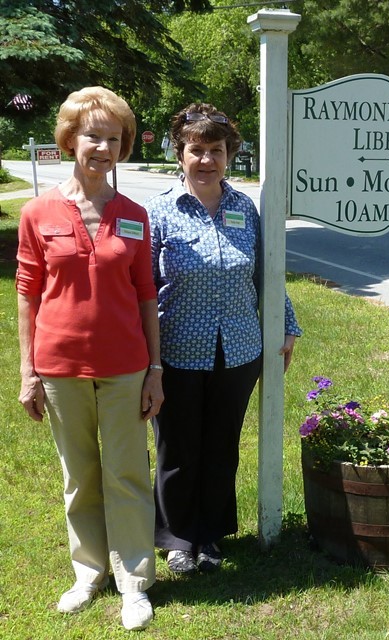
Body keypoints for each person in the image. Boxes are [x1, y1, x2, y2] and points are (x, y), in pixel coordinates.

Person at [16, 87, 162, 630]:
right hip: (59, 365)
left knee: (127, 473)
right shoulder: (39, 212)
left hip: (126, 364)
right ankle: (89, 572)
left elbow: (146, 291)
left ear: (123, 146)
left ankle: (134, 582)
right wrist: (28, 371)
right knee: (79, 476)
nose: (102, 146)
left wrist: (155, 369)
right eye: (92, 135)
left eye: (113, 138)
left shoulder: (133, 215)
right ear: (70, 140)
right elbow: (28, 293)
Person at [146, 103, 302, 574]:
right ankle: (177, 538)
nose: (206, 160)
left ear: (229, 154)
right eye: (197, 150)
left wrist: (287, 324)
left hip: (238, 350)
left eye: (216, 150)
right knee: (177, 449)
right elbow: (143, 288)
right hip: (175, 352)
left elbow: (265, 273)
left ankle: (210, 537)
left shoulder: (244, 208)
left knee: (220, 447)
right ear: (180, 153)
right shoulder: (158, 212)